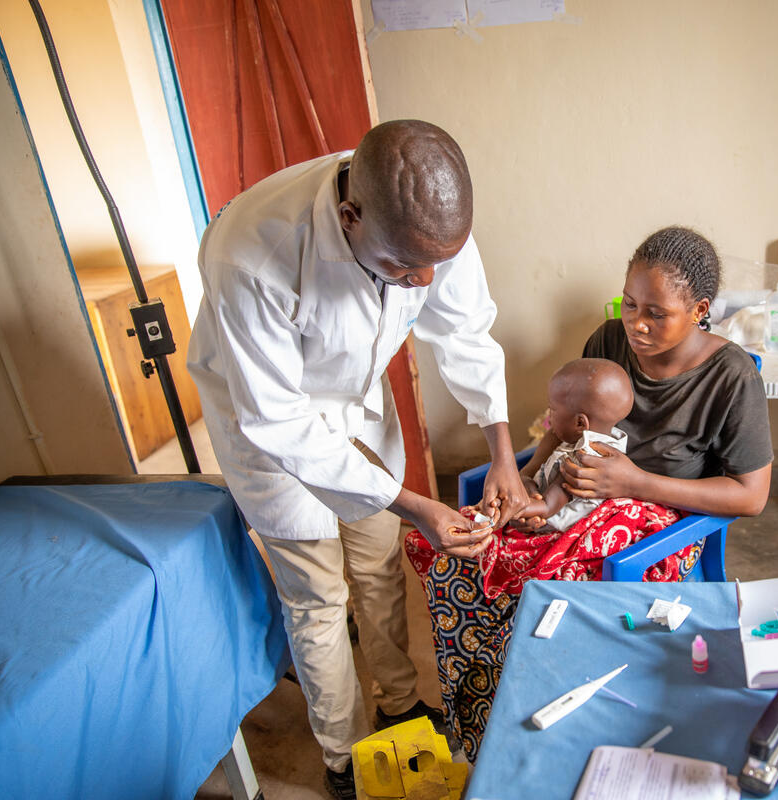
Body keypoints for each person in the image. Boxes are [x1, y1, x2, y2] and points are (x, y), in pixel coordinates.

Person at [186, 120, 528, 800]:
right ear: (350, 218)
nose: (424, 281)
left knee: (377, 564)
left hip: (354, 403)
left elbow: (464, 331)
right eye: (407, 270)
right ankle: (343, 756)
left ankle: (399, 702)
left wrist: (503, 454)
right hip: (266, 421)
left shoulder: (428, 220)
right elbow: (279, 420)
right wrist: (416, 503)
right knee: (318, 595)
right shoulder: (252, 254)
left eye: (436, 265)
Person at [406, 225, 773, 760]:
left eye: (656, 313)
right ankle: (488, 728)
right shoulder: (608, 340)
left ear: (699, 309)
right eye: (629, 305)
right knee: (463, 558)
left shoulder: (730, 377)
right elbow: (563, 423)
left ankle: (557, 735)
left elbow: (751, 496)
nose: (636, 325)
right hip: (576, 494)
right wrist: (530, 480)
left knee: (542, 592)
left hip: (658, 521)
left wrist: (635, 483)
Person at [512, 357, 633, 532]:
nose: (549, 416)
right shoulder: (604, 439)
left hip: (559, 530)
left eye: (552, 410)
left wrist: (509, 508)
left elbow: (547, 506)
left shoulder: (587, 460)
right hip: (542, 507)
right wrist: (527, 484)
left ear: (580, 423)